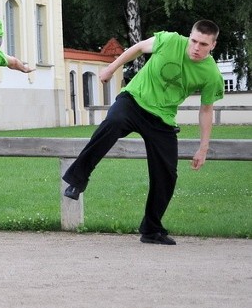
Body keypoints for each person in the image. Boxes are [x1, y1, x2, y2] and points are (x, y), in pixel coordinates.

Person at [62, 20, 224, 246]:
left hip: (162, 118)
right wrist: (111, 68)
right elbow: (138, 48)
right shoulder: (169, 40)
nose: (196, 47)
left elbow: (206, 110)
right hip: (134, 101)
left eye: (203, 44)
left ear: (213, 45)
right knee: (112, 122)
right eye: (194, 41)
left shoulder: (211, 74)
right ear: (190, 36)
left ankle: (151, 229)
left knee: (167, 174)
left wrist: (203, 148)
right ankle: (77, 180)